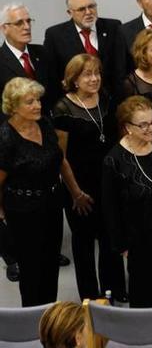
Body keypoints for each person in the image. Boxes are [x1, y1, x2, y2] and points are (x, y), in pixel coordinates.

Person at [0, 78, 91, 306]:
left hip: (52, 203)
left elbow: (62, 162)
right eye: (29, 102)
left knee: (51, 263)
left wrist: (76, 193)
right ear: (13, 106)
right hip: (23, 210)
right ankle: (32, 319)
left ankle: (50, 315)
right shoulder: (5, 137)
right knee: (32, 270)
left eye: (38, 100)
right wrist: (1, 214)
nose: (37, 105)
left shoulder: (45, 124)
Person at [52, 54, 126, 302]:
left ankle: (114, 288)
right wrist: (75, 193)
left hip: (107, 182)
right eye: (87, 74)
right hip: (79, 188)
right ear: (74, 80)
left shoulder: (106, 99)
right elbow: (61, 158)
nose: (94, 79)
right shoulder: (62, 109)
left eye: (97, 73)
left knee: (110, 238)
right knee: (83, 245)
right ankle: (90, 297)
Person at [102, 95, 152, 307]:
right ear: (128, 127)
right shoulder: (114, 160)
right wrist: (121, 245)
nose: (150, 128)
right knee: (143, 298)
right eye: (143, 124)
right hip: (138, 241)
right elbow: (110, 208)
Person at [0, 2, 51, 282]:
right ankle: (13, 256)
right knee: (12, 197)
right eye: (19, 23)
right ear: (4, 28)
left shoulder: (42, 54)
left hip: (40, 133)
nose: (27, 26)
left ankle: (44, 249)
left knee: (42, 190)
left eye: (28, 21)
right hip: (10, 137)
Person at [43, 0, 123, 105]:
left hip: (111, 102)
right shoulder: (55, 35)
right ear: (70, 13)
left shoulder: (113, 27)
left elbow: (120, 68)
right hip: (75, 104)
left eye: (91, 6)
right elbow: (53, 77)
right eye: (81, 9)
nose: (88, 12)